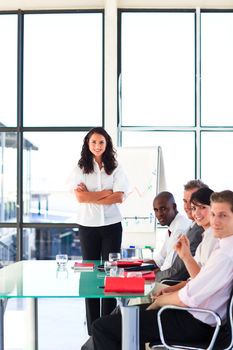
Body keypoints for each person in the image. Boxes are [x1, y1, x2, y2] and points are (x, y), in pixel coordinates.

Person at [91, 190, 233, 350]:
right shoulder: (223, 247)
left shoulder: (225, 254)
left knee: (103, 327)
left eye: (223, 215)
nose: (215, 221)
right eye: (213, 214)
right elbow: (197, 283)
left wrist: (160, 301)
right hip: (197, 317)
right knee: (126, 317)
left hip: (196, 322)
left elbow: (187, 297)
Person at [71, 127, 129, 335]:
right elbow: (80, 198)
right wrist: (106, 194)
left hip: (112, 226)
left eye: (101, 142)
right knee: (91, 275)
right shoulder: (80, 168)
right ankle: (93, 327)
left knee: (111, 272)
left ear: (107, 144)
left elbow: (120, 197)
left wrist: (92, 196)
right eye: (94, 142)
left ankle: (107, 325)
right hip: (88, 226)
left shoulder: (116, 167)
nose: (97, 146)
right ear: (88, 144)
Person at [153, 186, 218, 297]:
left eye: (202, 207)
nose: (196, 213)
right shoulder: (204, 237)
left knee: (135, 300)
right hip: (187, 292)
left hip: (196, 303)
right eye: (194, 208)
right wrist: (170, 291)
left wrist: (170, 296)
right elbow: (193, 280)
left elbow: (200, 283)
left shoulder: (214, 240)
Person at [155, 179, 207, 282]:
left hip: (171, 283)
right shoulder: (192, 227)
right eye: (185, 201)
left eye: (193, 202)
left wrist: (152, 278)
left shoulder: (198, 232)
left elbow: (178, 272)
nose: (188, 206)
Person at [152, 191, 191, 272]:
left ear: (174, 207)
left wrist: (144, 274)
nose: (159, 214)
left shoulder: (180, 228)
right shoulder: (172, 226)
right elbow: (160, 258)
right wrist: (138, 264)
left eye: (163, 209)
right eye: (156, 210)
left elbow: (168, 266)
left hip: (169, 279)